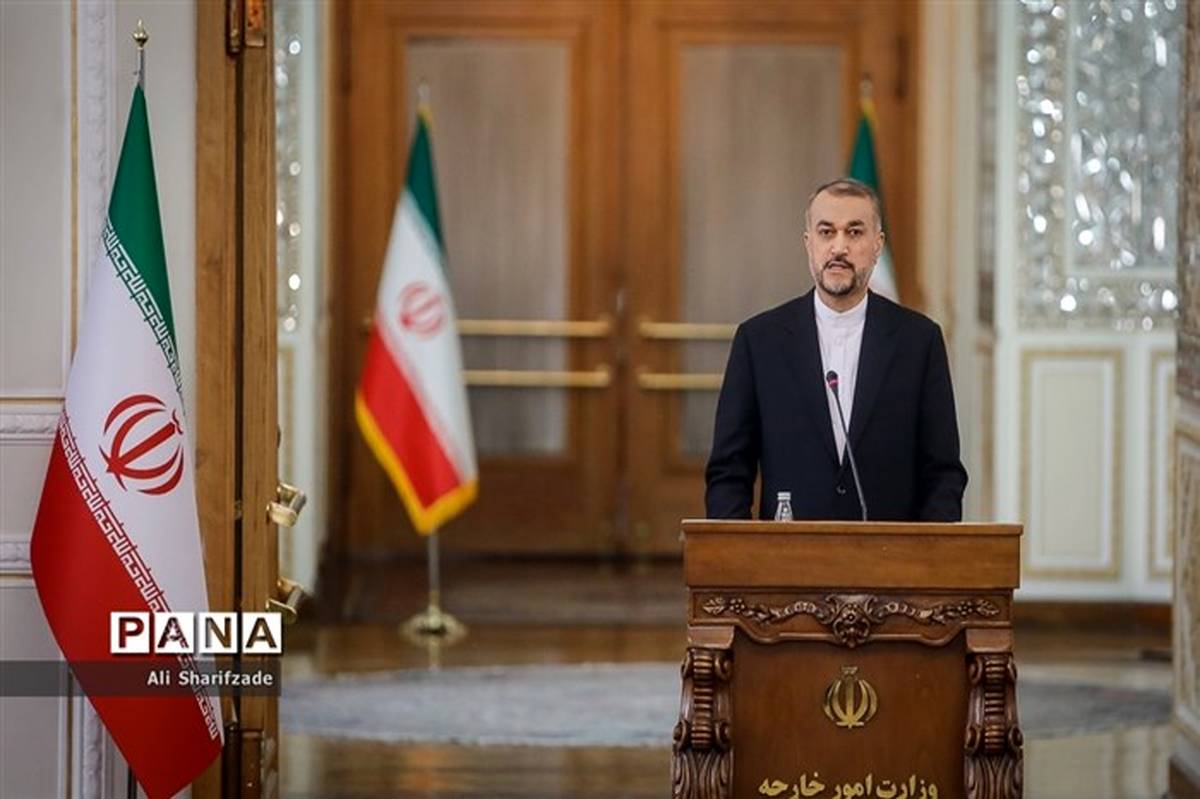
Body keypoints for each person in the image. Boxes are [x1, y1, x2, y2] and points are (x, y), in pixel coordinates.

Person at [704, 178, 967, 522]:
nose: (839, 247)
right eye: (827, 232)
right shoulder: (759, 341)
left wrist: (927, 551)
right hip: (788, 551)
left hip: (889, 553)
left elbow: (943, 473)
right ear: (809, 243)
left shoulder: (919, 341)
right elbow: (729, 471)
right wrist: (737, 549)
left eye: (854, 233)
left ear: (877, 245)